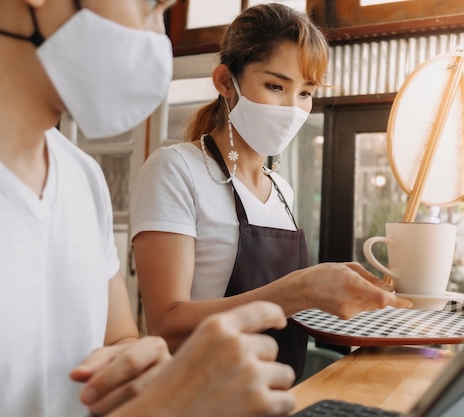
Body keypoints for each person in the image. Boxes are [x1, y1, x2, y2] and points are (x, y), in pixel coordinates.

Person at [0, 0, 299, 416]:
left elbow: (119, 341)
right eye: (147, 4)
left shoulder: (81, 177)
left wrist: (146, 376)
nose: (159, 26)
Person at [130, 3, 413, 382]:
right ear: (225, 82)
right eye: (276, 86)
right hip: (204, 397)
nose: (292, 108)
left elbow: (289, 313)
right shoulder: (176, 169)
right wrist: (301, 288)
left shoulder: (282, 190)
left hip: (282, 393)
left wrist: (336, 294)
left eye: (305, 93)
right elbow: (167, 325)